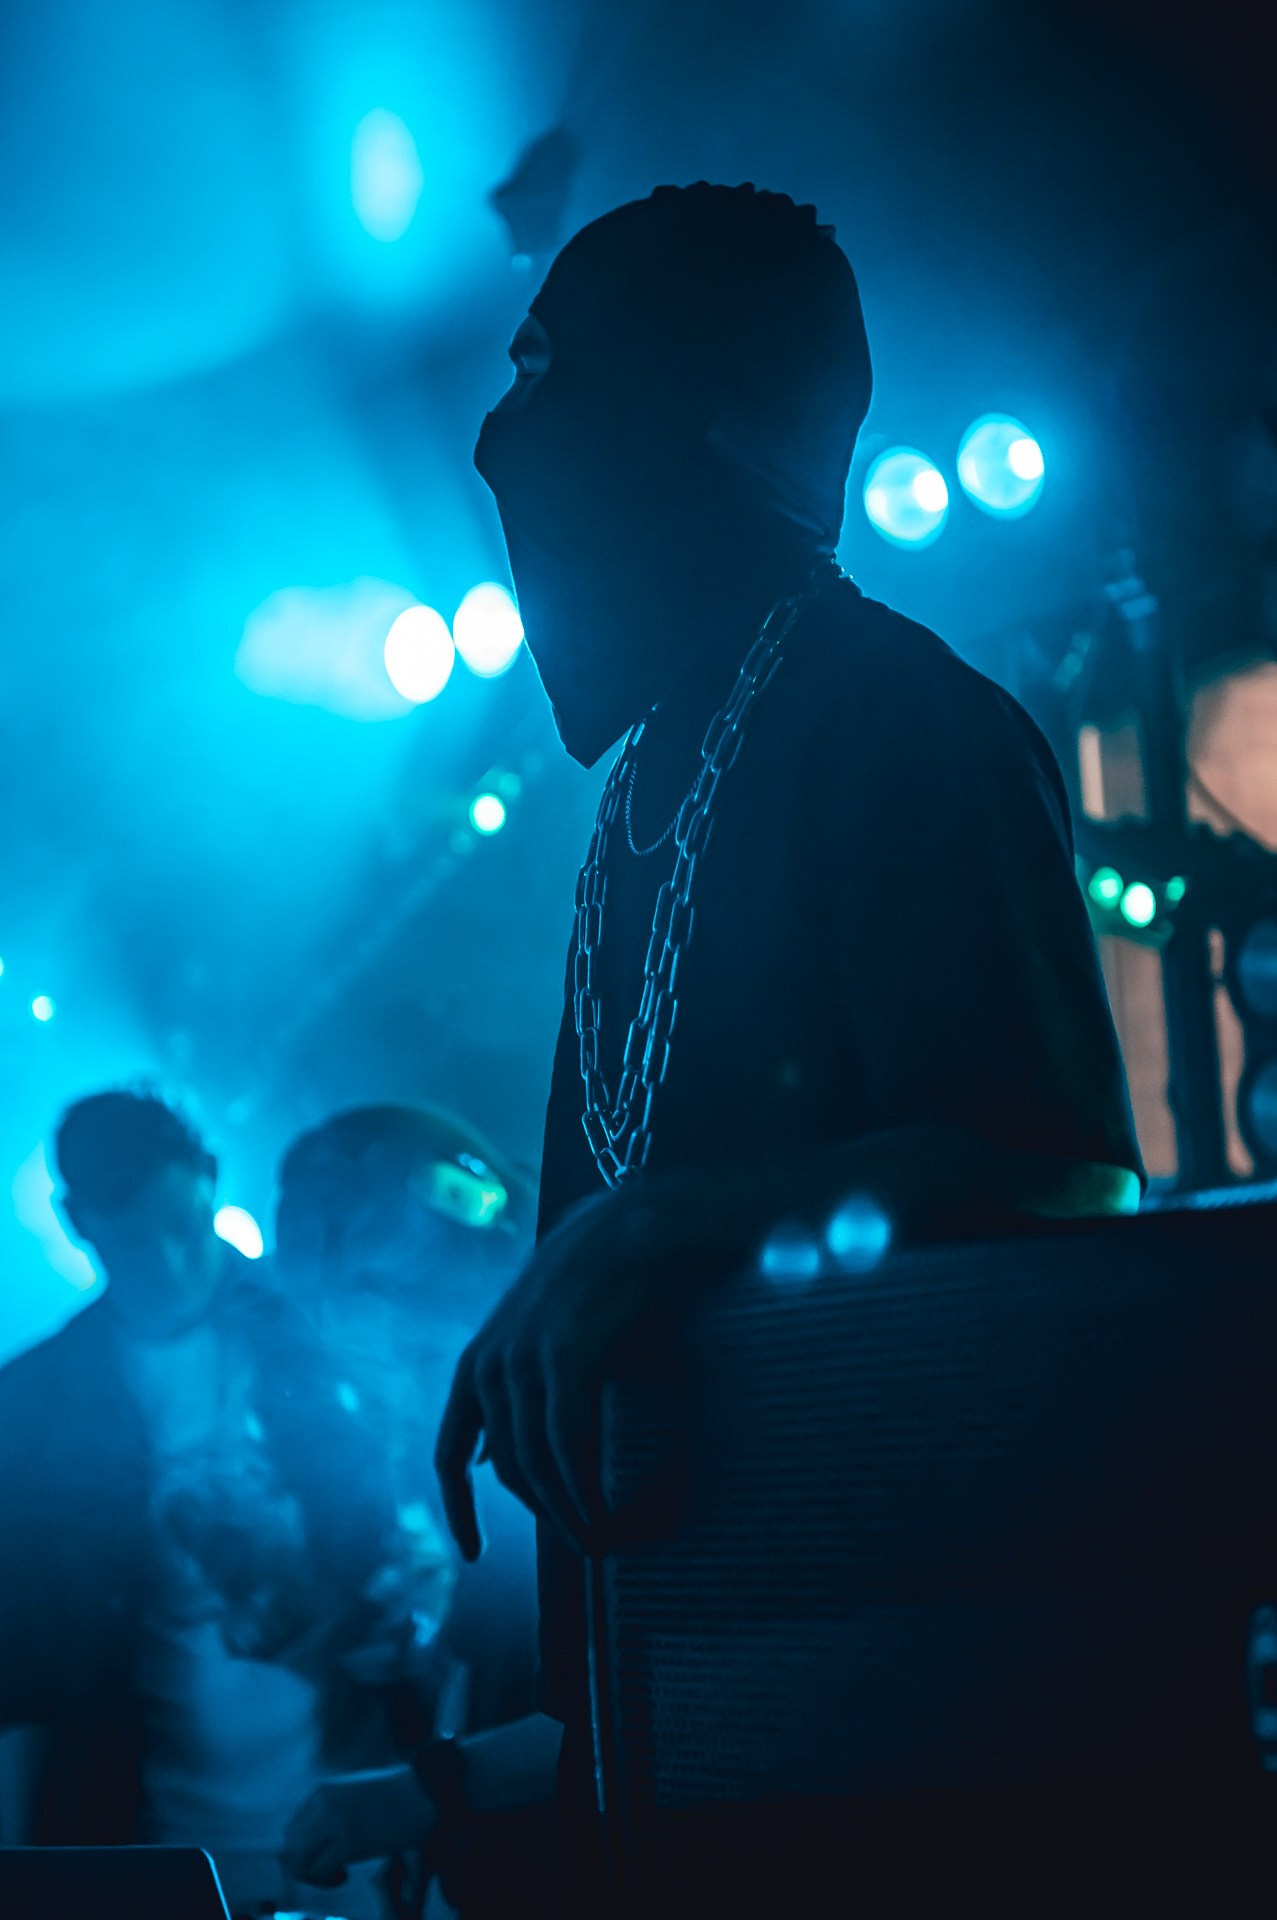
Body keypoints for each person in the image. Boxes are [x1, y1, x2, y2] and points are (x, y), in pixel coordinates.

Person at [426, 182, 1146, 1910]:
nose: (499, 440)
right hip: (696, 1738)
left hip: (896, 1770)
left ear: (719, 427)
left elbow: (1070, 1180)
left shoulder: (906, 724)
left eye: (550, 374)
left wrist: (659, 1223)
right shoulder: (649, 785)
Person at [0, 1089, 409, 1918]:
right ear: (77, 1222)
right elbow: (24, 1673)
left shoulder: (330, 1332)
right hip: (151, 1840)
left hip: (362, 1815)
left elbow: (433, 1547)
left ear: (212, 1180)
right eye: (133, 1243)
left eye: (184, 1229)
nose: (169, 1266)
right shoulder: (33, 1406)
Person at [274, 1106, 555, 1916]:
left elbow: (682, 1714)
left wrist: (434, 1788)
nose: (387, 1380)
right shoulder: (460, 1445)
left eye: (408, 1344)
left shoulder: (602, 1427)